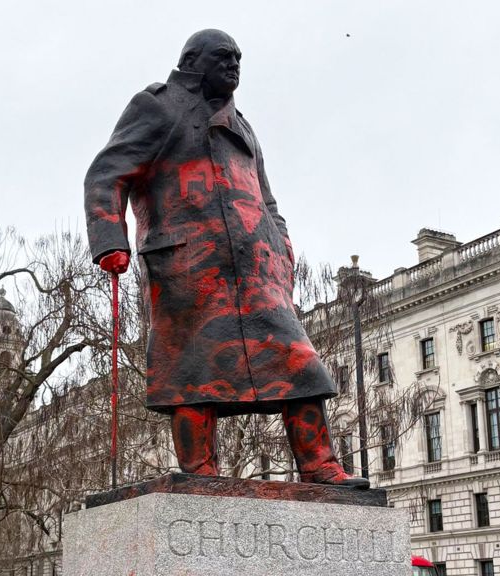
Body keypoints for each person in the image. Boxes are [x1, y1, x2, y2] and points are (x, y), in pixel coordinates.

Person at [85, 29, 368, 488]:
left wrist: (282, 251)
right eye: (224, 58)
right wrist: (109, 239)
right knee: (190, 369)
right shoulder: (156, 106)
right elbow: (106, 174)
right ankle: (200, 472)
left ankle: (319, 464)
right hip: (187, 267)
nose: (235, 66)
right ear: (194, 61)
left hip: (257, 270)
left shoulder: (244, 124)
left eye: (239, 58)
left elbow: (267, 198)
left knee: (299, 363)